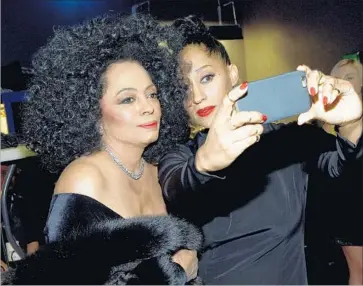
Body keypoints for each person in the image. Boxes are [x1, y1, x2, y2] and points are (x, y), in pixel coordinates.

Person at [158, 15, 363, 284]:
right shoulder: (179, 156)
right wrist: (206, 161)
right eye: (183, 88)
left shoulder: (286, 140)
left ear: (232, 74)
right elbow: (177, 185)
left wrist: (352, 124)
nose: (196, 96)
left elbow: (344, 171)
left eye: (206, 77)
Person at [2, 13, 202, 285]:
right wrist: (175, 275)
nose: (148, 106)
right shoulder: (84, 180)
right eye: (127, 99)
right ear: (91, 113)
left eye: (152, 93)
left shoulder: (159, 168)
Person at [322, 58, 362, 285]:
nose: (343, 83)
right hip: (348, 207)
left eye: (350, 77)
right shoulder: (324, 123)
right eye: (338, 78)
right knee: (359, 271)